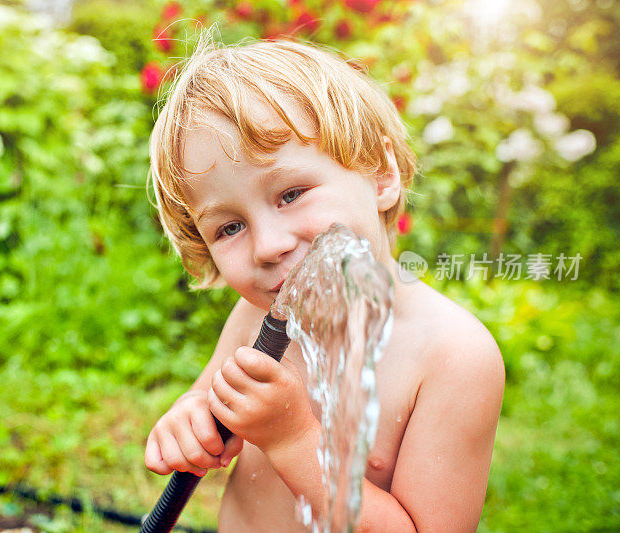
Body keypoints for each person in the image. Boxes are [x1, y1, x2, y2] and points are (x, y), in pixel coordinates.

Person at [144, 29, 504, 532]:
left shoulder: (451, 355)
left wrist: (294, 440)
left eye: (291, 194)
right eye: (229, 227)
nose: (268, 245)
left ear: (380, 174)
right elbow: (208, 403)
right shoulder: (253, 318)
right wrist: (192, 421)